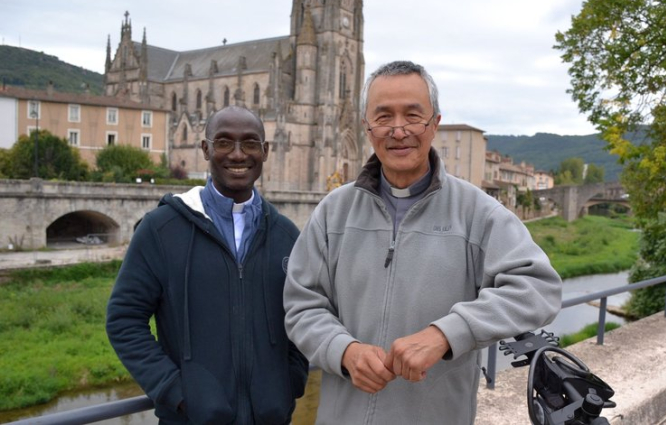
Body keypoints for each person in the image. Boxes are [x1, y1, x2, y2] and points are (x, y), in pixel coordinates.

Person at [283, 61, 562, 424]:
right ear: (367, 128)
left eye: (413, 116)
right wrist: (342, 350)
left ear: (435, 124)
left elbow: (538, 288)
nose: (398, 130)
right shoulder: (333, 212)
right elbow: (302, 306)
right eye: (383, 117)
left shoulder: (478, 212)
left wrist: (447, 333)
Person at [107, 106, 308, 425]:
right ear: (205, 149)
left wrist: (289, 382)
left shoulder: (286, 235)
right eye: (225, 142)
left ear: (266, 151)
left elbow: (304, 316)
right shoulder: (161, 229)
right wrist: (176, 392)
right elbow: (123, 320)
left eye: (251, 143)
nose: (238, 155)